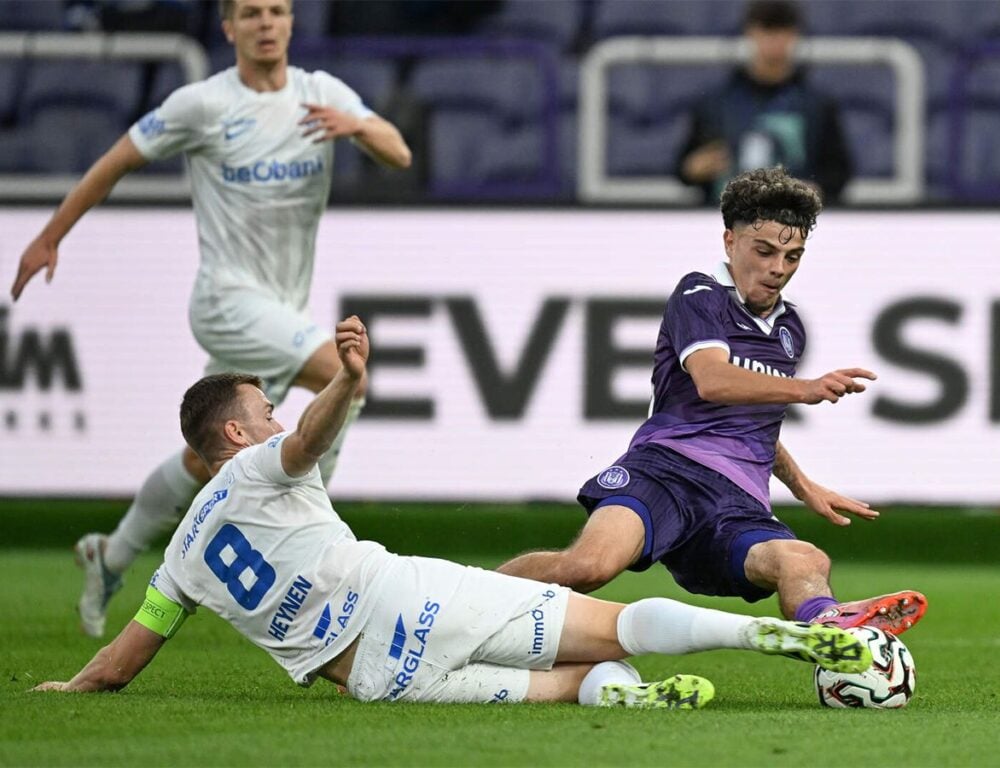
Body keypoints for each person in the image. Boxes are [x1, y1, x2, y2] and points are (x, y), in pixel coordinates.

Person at [32, 316, 873, 708]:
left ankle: (618, 700)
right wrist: (347, 383)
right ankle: (779, 636)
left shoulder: (180, 558)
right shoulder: (256, 466)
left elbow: (121, 663)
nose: (277, 420)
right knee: (614, 627)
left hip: (375, 680)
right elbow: (306, 443)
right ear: (234, 433)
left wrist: (67, 687)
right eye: (265, 410)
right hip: (408, 597)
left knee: (565, 688)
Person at [9, 0, 412, 638]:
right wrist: (50, 236)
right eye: (250, 13)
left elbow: (400, 153)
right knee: (344, 375)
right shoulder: (202, 104)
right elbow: (117, 160)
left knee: (208, 458)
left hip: (279, 308)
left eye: (276, 11)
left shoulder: (320, 93)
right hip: (226, 301)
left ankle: (111, 555)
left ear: (291, 22)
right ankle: (315, 533)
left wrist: (355, 126)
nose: (266, 23)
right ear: (229, 28)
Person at [497, 167, 927, 636]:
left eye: (793, 256)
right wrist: (806, 389)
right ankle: (462, 601)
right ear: (730, 241)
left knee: (806, 560)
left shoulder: (790, 329)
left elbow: (755, 422)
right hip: (666, 472)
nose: (778, 268)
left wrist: (804, 487)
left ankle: (832, 633)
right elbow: (713, 381)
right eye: (764, 251)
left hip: (737, 502)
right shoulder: (699, 294)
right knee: (589, 566)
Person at [676, 0, 851, 204]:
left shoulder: (818, 106)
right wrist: (695, 168)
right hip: (726, 214)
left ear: (795, 35)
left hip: (792, 214)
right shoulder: (715, 104)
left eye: (783, 31)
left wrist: (816, 189)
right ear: (750, 33)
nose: (775, 42)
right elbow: (683, 169)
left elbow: (839, 173)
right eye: (767, 30)